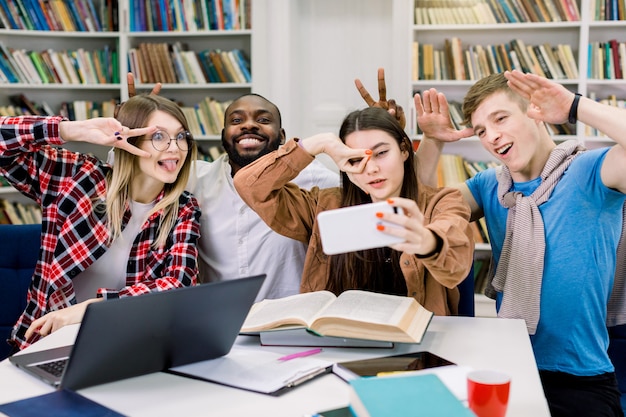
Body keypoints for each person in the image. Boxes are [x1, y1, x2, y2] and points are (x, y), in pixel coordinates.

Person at [414, 70, 626, 417]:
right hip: (506, 367)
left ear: (535, 111)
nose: (493, 137)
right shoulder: (488, 186)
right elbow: (424, 214)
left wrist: (573, 105)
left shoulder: (591, 172)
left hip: (580, 380)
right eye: (481, 131)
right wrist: (433, 142)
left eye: (500, 118)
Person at [128, 69, 405, 301]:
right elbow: (134, 177)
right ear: (223, 135)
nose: (249, 126)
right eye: (236, 121)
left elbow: (377, 195)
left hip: (292, 323)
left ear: (283, 136)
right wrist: (135, 129)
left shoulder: (312, 178)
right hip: (221, 323)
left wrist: (381, 135)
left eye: (263, 120)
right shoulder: (195, 178)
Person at [0, 94, 201, 351]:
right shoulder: (79, 178)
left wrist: (89, 309)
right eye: (159, 136)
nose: (175, 148)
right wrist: (72, 129)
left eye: (181, 136)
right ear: (130, 140)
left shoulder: (184, 208)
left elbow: (179, 286)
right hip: (51, 343)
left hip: (127, 345)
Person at [233, 106, 474, 315]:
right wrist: (319, 144)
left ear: (404, 150)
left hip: (418, 348)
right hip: (340, 347)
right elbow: (249, 186)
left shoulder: (443, 201)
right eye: (357, 159)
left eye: (381, 153)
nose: (371, 169)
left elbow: (456, 262)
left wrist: (426, 242)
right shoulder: (323, 206)